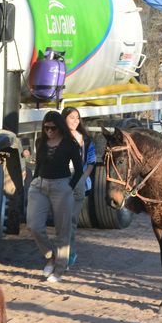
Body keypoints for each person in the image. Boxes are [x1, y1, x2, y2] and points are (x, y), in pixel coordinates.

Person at [26, 110, 87, 282]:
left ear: (60, 127)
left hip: (62, 185)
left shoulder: (70, 144)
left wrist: (69, 188)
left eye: (53, 128)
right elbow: (38, 164)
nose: (49, 131)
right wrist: (35, 180)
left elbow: (79, 170)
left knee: (63, 229)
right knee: (33, 225)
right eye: (46, 128)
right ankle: (49, 257)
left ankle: (59, 269)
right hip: (39, 185)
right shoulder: (41, 142)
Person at [60, 105, 95, 267]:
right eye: (71, 117)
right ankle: (63, 253)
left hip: (78, 180)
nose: (75, 121)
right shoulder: (57, 136)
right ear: (64, 119)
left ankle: (68, 254)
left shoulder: (86, 140)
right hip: (59, 181)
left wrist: (82, 179)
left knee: (71, 220)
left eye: (77, 118)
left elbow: (91, 163)